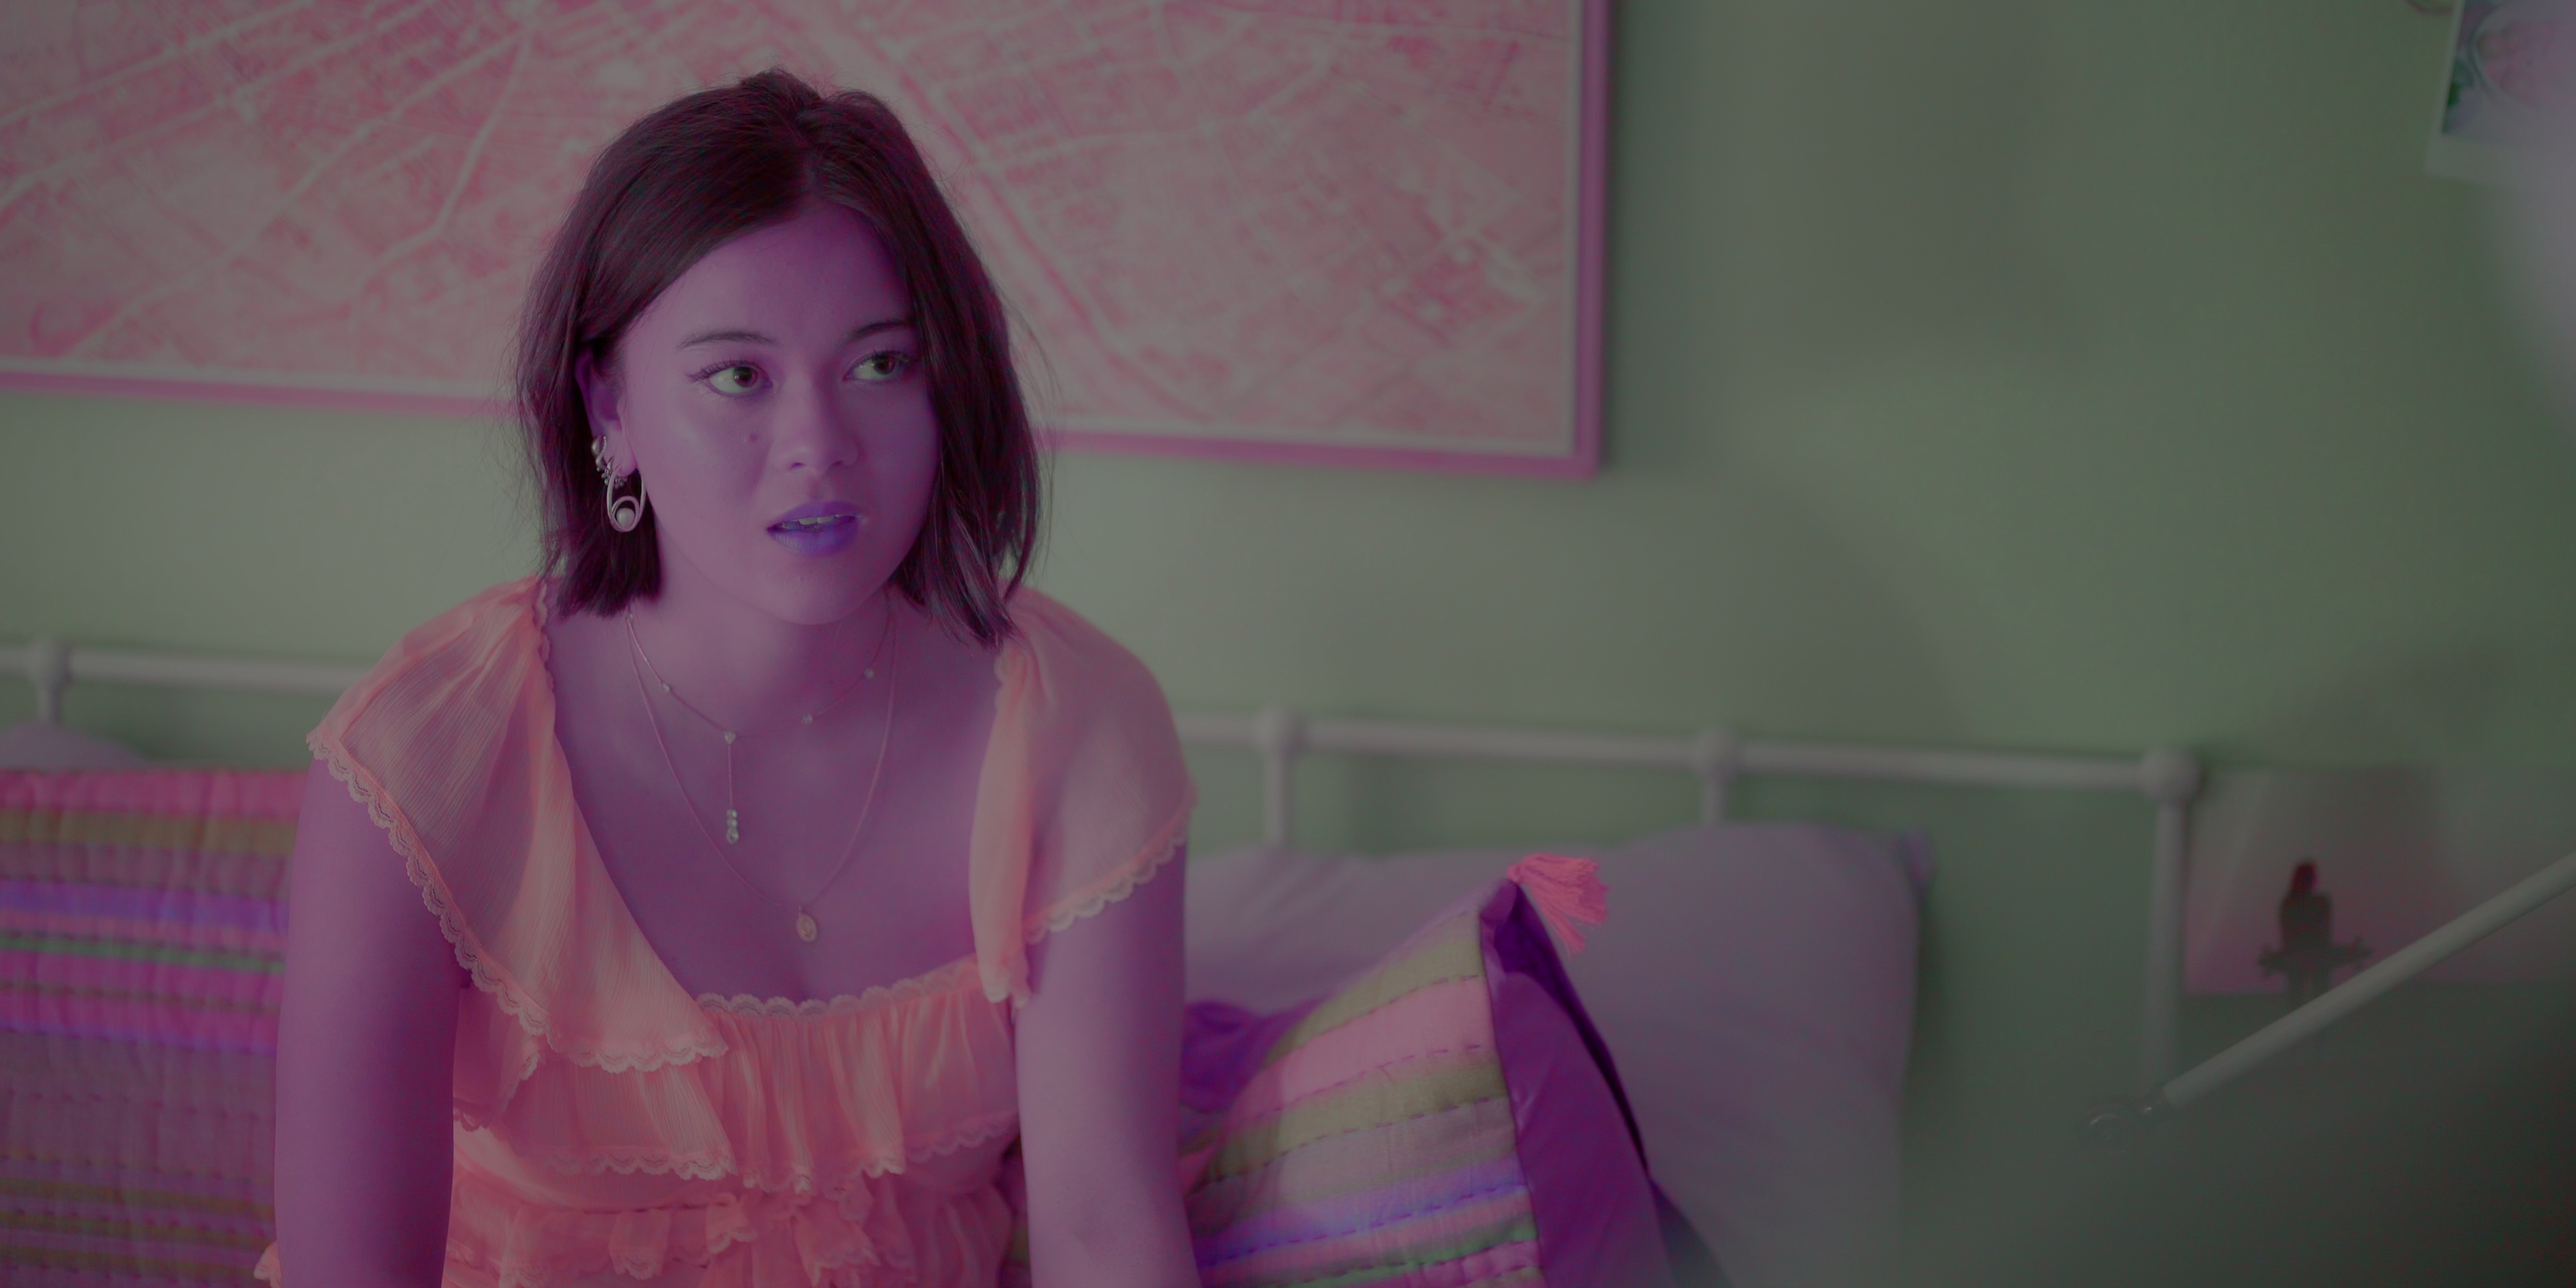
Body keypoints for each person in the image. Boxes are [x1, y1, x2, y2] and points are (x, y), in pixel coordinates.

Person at [264, 70, 1201, 1288]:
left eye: (880, 364)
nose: (819, 446)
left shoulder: (1076, 727)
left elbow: (1102, 1229)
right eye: (738, 377)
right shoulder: (426, 757)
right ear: (608, 406)